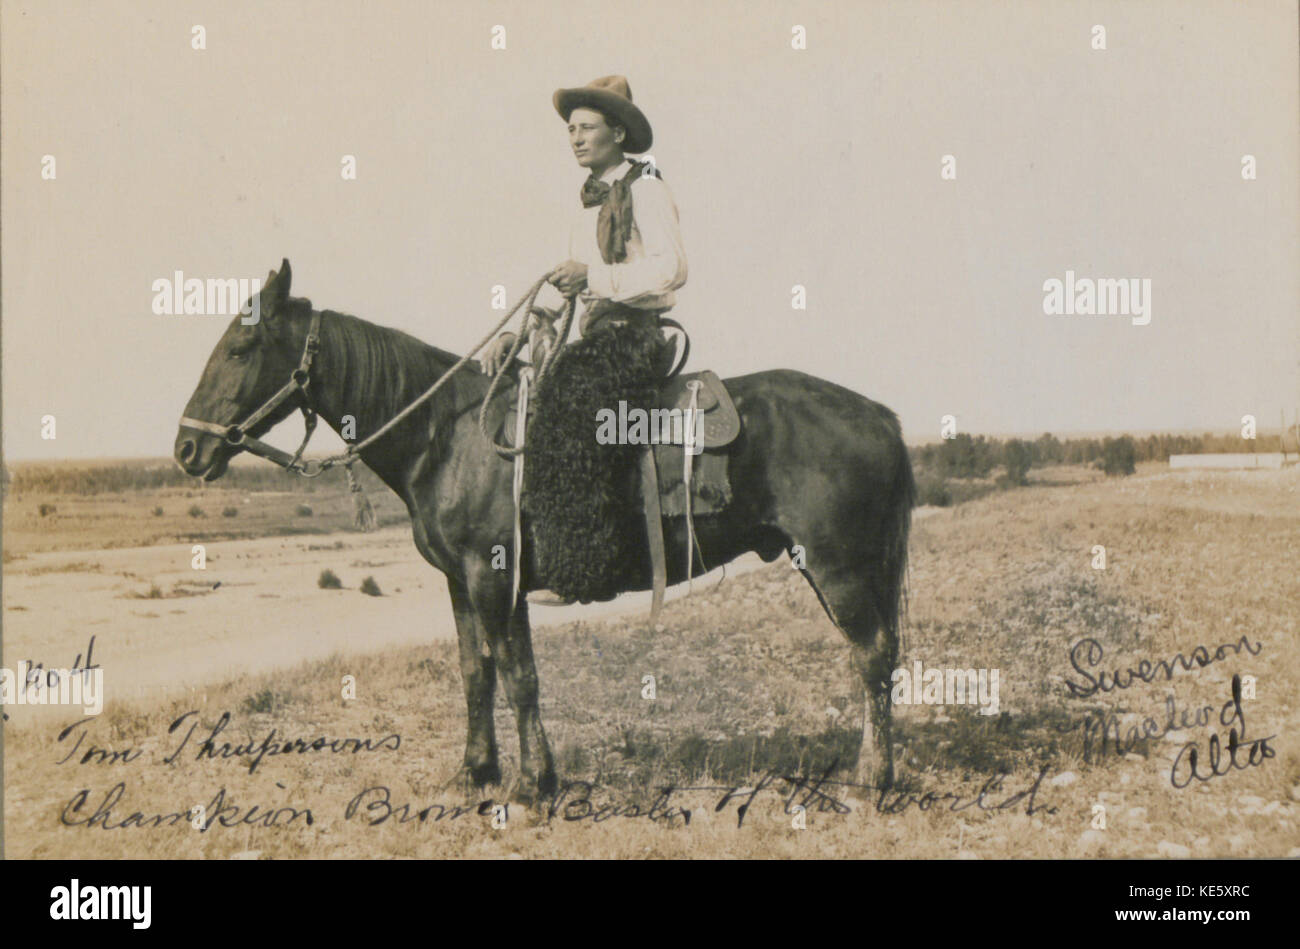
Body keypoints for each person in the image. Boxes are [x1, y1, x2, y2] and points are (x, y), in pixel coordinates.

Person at [484, 75, 687, 602]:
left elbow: (672, 271)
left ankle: (584, 571)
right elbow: (569, 296)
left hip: (635, 339)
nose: (575, 138)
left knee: (568, 405)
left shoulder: (647, 189)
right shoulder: (584, 207)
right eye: (570, 129)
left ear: (617, 133)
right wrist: (523, 335)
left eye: (587, 127)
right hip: (598, 336)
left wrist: (594, 279)